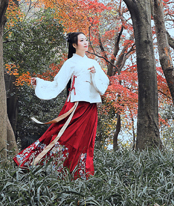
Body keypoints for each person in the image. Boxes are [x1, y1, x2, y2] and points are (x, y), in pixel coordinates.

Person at [13, 32, 110, 178]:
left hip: (90, 108)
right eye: (81, 40)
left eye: (86, 40)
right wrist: (39, 82)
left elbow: (104, 83)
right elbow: (57, 83)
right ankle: (34, 163)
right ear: (74, 45)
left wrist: (95, 73)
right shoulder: (70, 63)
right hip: (75, 107)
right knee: (61, 136)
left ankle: (80, 173)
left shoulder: (94, 63)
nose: (85, 42)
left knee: (85, 141)